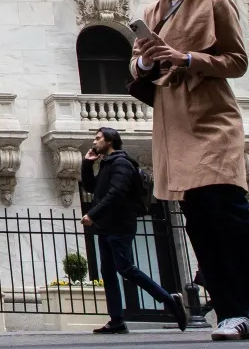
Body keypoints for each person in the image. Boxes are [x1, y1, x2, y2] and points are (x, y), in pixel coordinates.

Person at [133, 0, 249, 342]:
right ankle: (231, 310)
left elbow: (237, 61)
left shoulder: (215, 2)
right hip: (172, 120)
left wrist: (186, 58)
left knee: (229, 210)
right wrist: (148, 58)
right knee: (198, 219)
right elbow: (137, 66)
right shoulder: (153, 10)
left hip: (211, 115)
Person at [79, 126, 187, 334]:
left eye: (98, 138)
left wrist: (93, 214)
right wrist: (87, 163)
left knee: (125, 268)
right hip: (106, 226)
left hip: (119, 224)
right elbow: (92, 188)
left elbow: (116, 193)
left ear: (110, 141)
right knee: (108, 272)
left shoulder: (121, 163)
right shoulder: (106, 164)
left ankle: (169, 299)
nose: (94, 142)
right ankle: (117, 320)